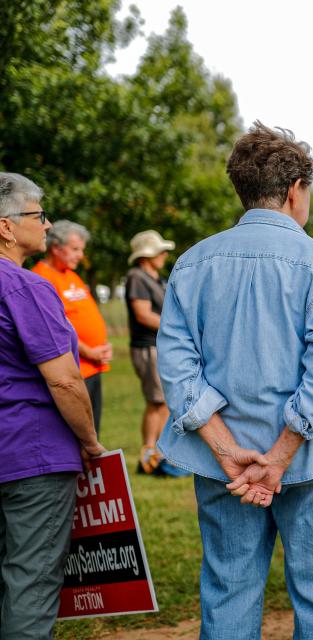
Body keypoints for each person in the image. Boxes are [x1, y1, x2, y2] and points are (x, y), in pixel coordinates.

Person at [156, 122, 313, 638]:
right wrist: (278, 458)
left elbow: (178, 368)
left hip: (227, 464)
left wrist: (227, 452)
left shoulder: (192, 263)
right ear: (295, 191)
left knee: (228, 593)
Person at [0, 173, 106, 638]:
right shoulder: (27, 288)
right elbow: (64, 380)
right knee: (30, 581)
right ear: (5, 226)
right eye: (37, 215)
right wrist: (88, 440)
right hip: (31, 457)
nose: (46, 225)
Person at [32, 220, 112, 434]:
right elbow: (58, 327)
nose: (80, 255)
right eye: (75, 249)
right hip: (74, 370)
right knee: (81, 433)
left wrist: (102, 346)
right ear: (56, 247)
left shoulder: (71, 274)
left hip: (93, 366)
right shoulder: (42, 278)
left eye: (81, 250)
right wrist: (89, 351)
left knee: (95, 428)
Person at [125, 229, 174, 474]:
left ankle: (157, 454)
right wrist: (174, 327)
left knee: (164, 401)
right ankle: (148, 455)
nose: (165, 255)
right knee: (157, 401)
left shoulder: (156, 278)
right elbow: (143, 315)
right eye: (159, 251)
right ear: (146, 255)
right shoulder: (137, 277)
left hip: (160, 346)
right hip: (147, 347)